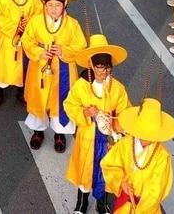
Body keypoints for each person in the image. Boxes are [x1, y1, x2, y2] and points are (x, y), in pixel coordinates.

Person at [64, 34, 131, 214]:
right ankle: (81, 203)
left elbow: (125, 112)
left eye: (107, 67)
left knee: (106, 172)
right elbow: (69, 105)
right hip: (88, 136)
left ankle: (103, 204)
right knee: (85, 171)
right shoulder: (81, 85)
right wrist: (85, 113)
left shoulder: (118, 88)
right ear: (92, 66)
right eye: (100, 67)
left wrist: (116, 127)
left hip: (108, 138)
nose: (103, 71)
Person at [23, 0, 87, 152]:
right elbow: (27, 40)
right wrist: (39, 52)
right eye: (50, 5)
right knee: (39, 98)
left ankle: (60, 134)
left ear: (65, 5)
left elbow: (81, 46)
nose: (53, 9)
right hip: (40, 67)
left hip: (63, 69)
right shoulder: (36, 21)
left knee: (62, 100)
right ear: (44, 4)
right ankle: (38, 131)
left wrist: (64, 51)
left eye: (57, 5)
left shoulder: (73, 24)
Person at [101, 98, 174, 214]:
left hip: (146, 209)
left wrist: (140, 209)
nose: (148, 138)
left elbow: (156, 191)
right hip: (125, 202)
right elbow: (109, 165)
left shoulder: (162, 157)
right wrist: (121, 182)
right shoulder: (126, 143)